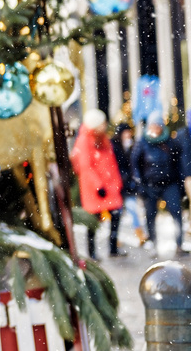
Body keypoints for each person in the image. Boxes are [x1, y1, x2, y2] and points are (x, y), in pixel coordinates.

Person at [131, 112, 188, 256]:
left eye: (157, 125)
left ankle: (179, 244)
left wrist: (180, 184)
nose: (155, 128)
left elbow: (177, 163)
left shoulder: (170, 142)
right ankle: (154, 244)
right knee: (150, 215)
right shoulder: (142, 142)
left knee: (176, 212)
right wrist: (140, 184)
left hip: (170, 183)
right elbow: (135, 164)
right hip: (150, 185)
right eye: (153, 125)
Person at [70, 109, 125, 259]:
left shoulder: (103, 139)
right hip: (95, 188)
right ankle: (92, 252)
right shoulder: (84, 141)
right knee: (93, 221)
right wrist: (98, 185)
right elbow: (86, 167)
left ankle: (113, 248)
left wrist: (118, 182)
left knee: (116, 215)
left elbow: (111, 161)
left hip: (110, 184)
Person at [111, 122, 147, 246]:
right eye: (126, 132)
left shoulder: (132, 145)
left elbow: (134, 163)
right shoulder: (114, 146)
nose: (128, 134)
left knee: (132, 209)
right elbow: (115, 165)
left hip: (128, 184)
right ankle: (115, 238)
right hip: (117, 184)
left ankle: (139, 234)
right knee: (117, 213)